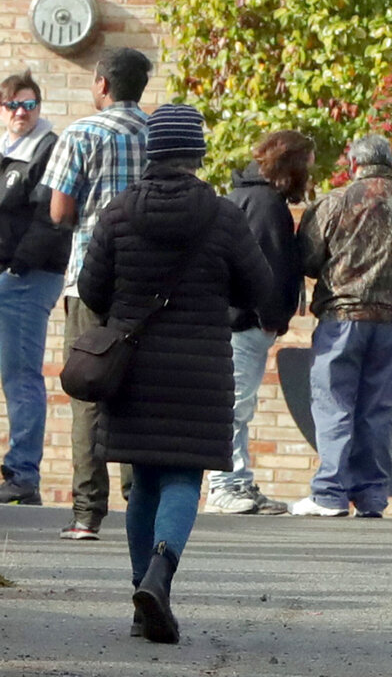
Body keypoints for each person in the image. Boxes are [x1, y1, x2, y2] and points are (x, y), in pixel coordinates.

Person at [77, 104, 271, 643]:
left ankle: (144, 600)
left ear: (152, 153)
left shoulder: (118, 212)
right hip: (201, 367)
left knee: (143, 481)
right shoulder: (225, 214)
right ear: (197, 155)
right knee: (184, 475)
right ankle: (161, 576)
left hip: (134, 367)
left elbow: (92, 291)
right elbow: (260, 289)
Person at [44, 47, 151, 540]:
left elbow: (60, 212)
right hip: (147, 283)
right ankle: (141, 504)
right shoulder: (158, 135)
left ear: (102, 84)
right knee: (137, 391)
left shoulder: (82, 133)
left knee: (88, 388)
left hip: (90, 278)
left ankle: (87, 512)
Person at [293, 135, 392, 518]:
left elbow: (309, 259)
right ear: (391, 164)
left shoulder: (333, 202)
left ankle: (329, 493)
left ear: (354, 165)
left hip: (343, 320)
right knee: (380, 411)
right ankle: (372, 496)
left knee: (334, 406)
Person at [203, 131, 312, 515]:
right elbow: (266, 267)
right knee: (236, 405)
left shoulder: (249, 197)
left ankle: (238, 480)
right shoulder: (266, 204)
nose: (311, 173)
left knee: (237, 404)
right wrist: (269, 317)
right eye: (308, 164)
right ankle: (225, 484)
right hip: (245, 322)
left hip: (238, 320)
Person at [0, 71, 69, 505]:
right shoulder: (6, 151)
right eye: (13, 105)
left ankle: (23, 475)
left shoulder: (47, 149)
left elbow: (52, 219)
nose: (22, 113)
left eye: (29, 104)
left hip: (27, 277)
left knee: (21, 376)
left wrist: (16, 268)